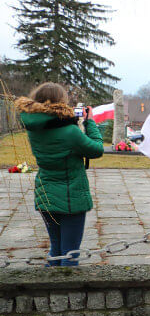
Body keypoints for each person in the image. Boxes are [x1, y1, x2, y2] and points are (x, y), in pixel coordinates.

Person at [15, 82, 103, 266]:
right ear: (61, 101)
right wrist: (90, 122)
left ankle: (48, 290)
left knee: (56, 249)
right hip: (71, 197)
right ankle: (67, 291)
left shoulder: (34, 127)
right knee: (70, 253)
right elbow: (96, 149)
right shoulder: (69, 131)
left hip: (45, 193)